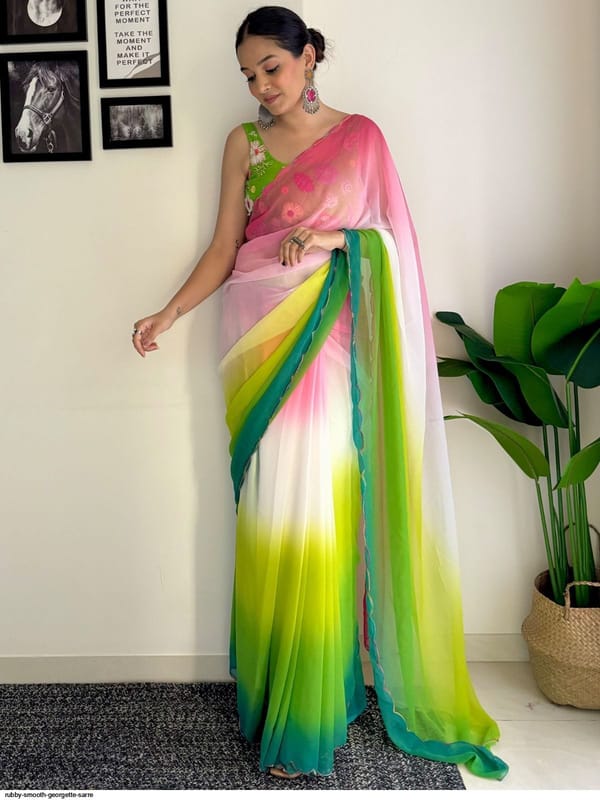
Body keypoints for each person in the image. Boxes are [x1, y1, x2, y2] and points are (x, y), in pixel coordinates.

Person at [132, 6, 508, 782]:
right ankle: (281, 694)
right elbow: (225, 246)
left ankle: (311, 709)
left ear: (308, 57)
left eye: (271, 67)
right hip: (256, 343)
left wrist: (338, 239)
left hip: (328, 345)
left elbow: (395, 246)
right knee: (273, 513)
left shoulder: (361, 138)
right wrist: (169, 311)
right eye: (248, 75)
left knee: (319, 515)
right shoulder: (242, 143)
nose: (260, 86)